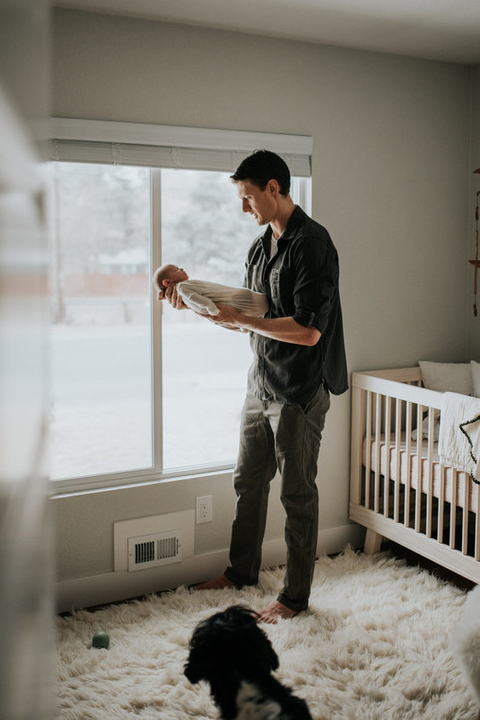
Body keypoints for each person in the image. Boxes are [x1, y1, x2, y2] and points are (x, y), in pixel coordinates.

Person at [164, 149, 348, 623]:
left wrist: (243, 319)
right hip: (261, 382)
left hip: (299, 391)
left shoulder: (313, 244)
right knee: (248, 482)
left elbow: (308, 331)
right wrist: (199, 306)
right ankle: (241, 571)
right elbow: (250, 321)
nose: (243, 208)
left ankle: (294, 598)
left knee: (297, 496)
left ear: (274, 188)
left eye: (248, 198)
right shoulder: (258, 248)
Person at [154, 264, 268, 317]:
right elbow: (196, 299)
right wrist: (212, 308)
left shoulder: (185, 289)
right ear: (167, 282)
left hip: (242, 305)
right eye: (177, 269)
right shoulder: (182, 287)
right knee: (261, 304)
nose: (182, 268)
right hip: (242, 298)